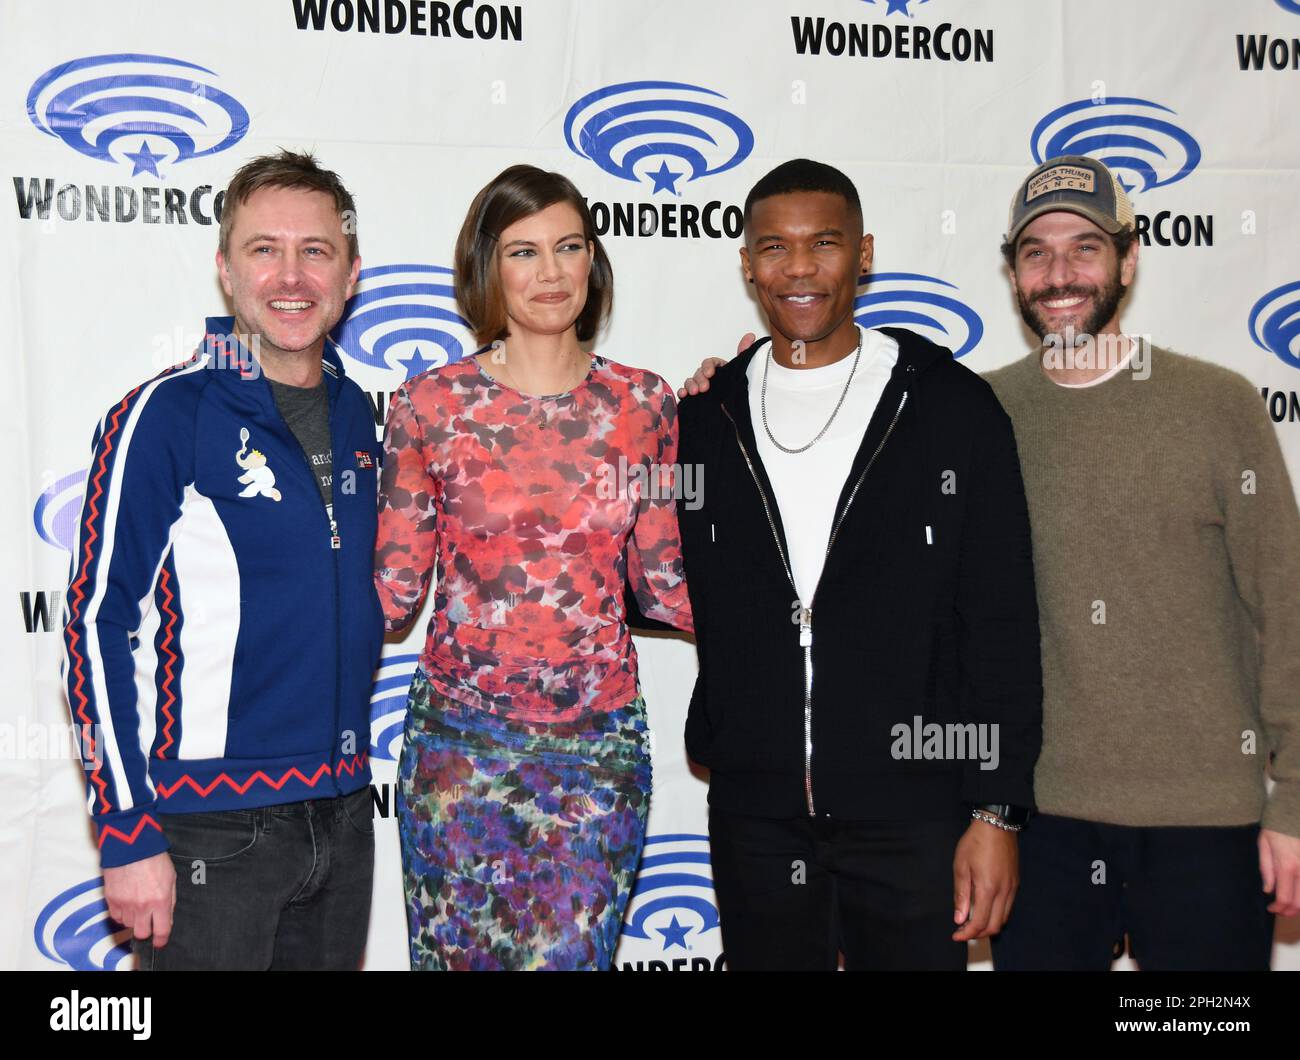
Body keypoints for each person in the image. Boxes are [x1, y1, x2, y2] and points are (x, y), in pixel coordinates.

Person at [673, 159, 1042, 970]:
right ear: (746, 262)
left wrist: (998, 811)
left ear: (864, 254)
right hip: (757, 815)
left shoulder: (950, 407)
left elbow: (1003, 622)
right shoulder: (704, 418)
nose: (798, 268)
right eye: (774, 247)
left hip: (916, 809)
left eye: (824, 243)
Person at [62, 150, 382, 970]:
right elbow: (97, 625)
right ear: (225, 271)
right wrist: (127, 830)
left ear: (349, 272)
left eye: (316, 250)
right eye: (263, 249)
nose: (291, 275)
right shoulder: (168, 414)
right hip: (213, 833)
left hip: (345, 817)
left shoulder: (363, 416)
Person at [980, 155, 1300, 969]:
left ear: (1128, 259)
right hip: (1038, 823)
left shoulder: (1218, 405)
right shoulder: (979, 414)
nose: (1060, 275)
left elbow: (1286, 607)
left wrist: (1295, 801)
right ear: (1013, 271)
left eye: (1084, 248)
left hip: (1208, 821)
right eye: (1036, 253)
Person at [374, 164, 693, 971]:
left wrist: (817, 603)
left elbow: (664, 582)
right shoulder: (429, 405)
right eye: (523, 252)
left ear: (594, 261)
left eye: (568, 247)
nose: (550, 273)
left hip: (597, 748)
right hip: (459, 749)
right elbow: (392, 594)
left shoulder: (645, 406)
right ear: (488, 268)